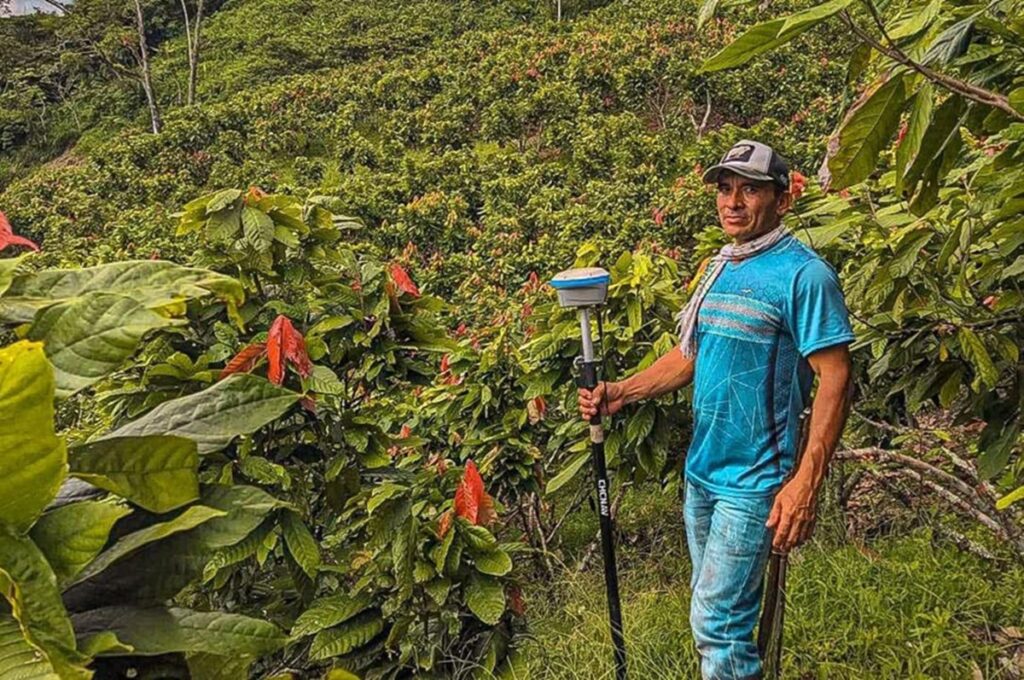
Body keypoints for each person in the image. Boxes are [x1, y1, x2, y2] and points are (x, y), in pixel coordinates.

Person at [578, 140, 855, 680]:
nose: (733, 201)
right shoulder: (721, 266)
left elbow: (835, 379)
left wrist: (805, 482)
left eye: (750, 189)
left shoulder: (804, 275)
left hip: (755, 482)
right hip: (703, 472)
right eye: (725, 188)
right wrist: (623, 392)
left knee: (718, 623)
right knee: (718, 617)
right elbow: (691, 355)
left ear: (782, 200)